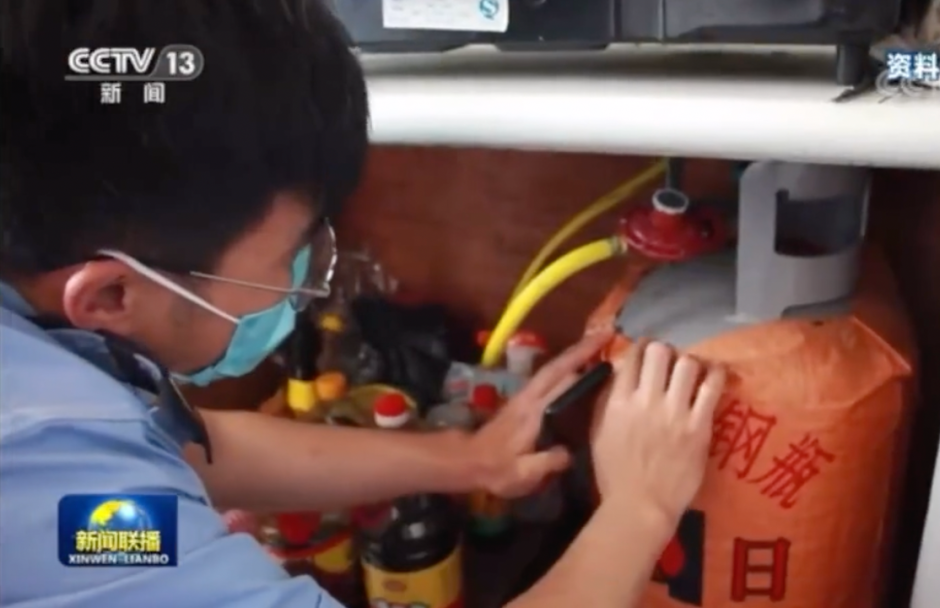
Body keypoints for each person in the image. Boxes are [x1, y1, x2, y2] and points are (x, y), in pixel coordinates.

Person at [0, 1, 727, 607]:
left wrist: (470, 459)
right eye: (285, 266)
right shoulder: (44, 480)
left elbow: (185, 451)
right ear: (111, 294)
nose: (301, 290)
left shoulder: (55, 408)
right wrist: (641, 507)